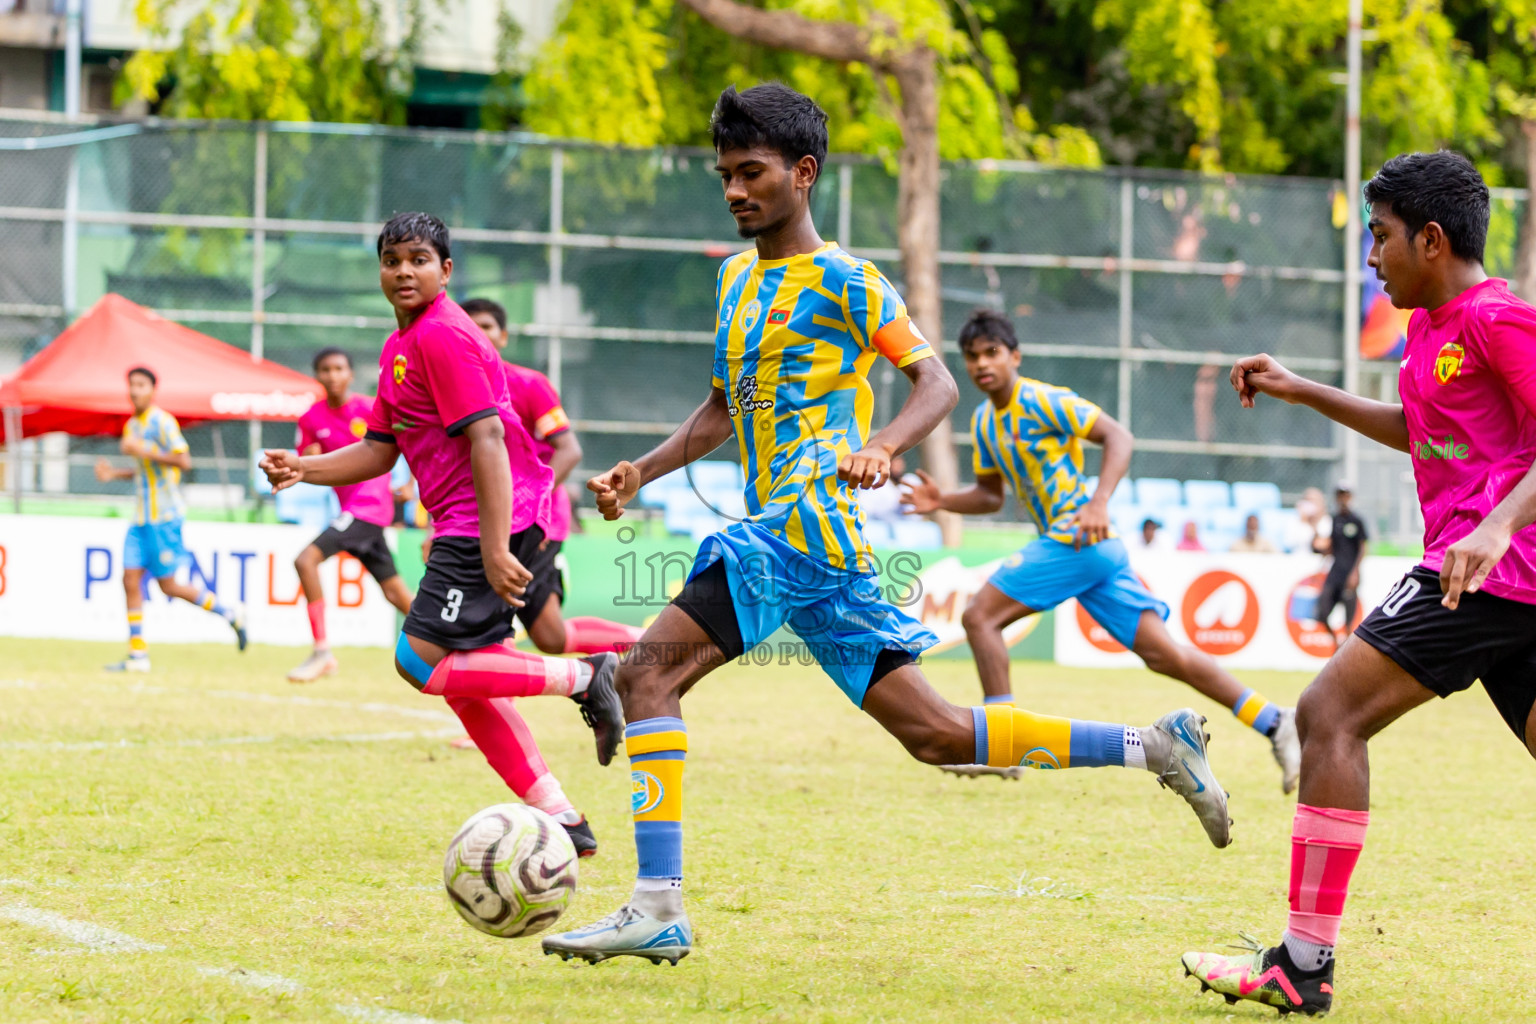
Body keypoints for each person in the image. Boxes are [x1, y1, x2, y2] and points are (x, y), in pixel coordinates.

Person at [539, 84, 1232, 967]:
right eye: (725, 175)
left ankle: (656, 906)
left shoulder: (847, 280)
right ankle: (1155, 744)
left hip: (799, 524)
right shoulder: (734, 278)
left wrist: (883, 444)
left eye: (751, 173)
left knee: (643, 680)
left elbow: (935, 382)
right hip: (814, 547)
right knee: (937, 734)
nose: (734, 191)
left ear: (804, 172)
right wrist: (644, 467)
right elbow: (721, 409)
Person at [1182, 152, 1536, 1016]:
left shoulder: (1500, 320)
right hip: (1496, 577)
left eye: (1379, 239)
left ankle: (1301, 965)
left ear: (1431, 238)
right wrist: (1304, 391)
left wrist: (1495, 527)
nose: (1371, 258)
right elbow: (1421, 429)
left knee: (1327, 714)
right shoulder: (1429, 329)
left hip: (1489, 572)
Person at [259, 212, 626, 858]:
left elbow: (486, 438)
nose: (404, 270)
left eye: (419, 259)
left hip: (491, 520)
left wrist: (490, 547)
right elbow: (378, 450)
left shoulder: (443, 336)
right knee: (460, 681)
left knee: (419, 660)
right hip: (472, 520)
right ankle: (564, 818)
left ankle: (589, 674)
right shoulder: (400, 345)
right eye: (392, 259)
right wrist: (304, 468)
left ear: (445, 271)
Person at [902, 309, 1298, 792]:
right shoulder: (986, 422)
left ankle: (1000, 746)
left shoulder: (1044, 401)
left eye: (992, 353)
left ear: (1015, 356)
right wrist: (942, 499)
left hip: (1079, 537)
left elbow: (1118, 436)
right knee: (1166, 655)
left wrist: (1098, 502)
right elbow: (991, 495)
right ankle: (1277, 721)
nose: (982, 364)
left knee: (979, 617)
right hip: (1091, 551)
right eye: (972, 357)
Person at [460, 296, 643, 657]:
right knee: (540, 635)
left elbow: (569, 450)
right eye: (468, 327)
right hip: (480, 518)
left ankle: (650, 643)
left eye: (486, 327)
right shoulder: (454, 390)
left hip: (534, 519)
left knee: (530, 629)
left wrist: (530, 507)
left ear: (504, 336)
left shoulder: (529, 385)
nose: (477, 335)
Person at [95, 366, 246, 671]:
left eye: (141, 385)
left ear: (152, 389)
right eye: (131, 385)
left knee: (169, 586)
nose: (135, 390)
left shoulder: (162, 421)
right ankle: (138, 655)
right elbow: (146, 471)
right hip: (140, 517)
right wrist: (115, 474)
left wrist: (141, 450)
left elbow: (183, 460)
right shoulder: (132, 426)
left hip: (165, 517)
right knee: (129, 579)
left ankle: (229, 614)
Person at [287, 348, 415, 683]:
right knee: (397, 595)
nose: (332, 375)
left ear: (350, 374)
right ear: (317, 375)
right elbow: (305, 466)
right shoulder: (311, 418)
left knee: (305, 561)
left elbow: (411, 440)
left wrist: (412, 483)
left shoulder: (369, 408)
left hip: (369, 507)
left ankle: (322, 652)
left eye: (338, 368)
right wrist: (305, 460)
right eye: (325, 369)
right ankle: (454, 640)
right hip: (354, 512)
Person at [1312, 482, 1368, 650]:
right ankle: (1337, 644)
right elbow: (1331, 547)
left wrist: (1355, 572)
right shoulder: (1334, 519)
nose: (1342, 499)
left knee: (1348, 620)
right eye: (1340, 495)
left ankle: (1346, 652)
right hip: (1335, 572)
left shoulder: (1356, 520)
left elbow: (1362, 547)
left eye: (1345, 495)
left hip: (1349, 573)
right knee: (1322, 613)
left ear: (1350, 497)